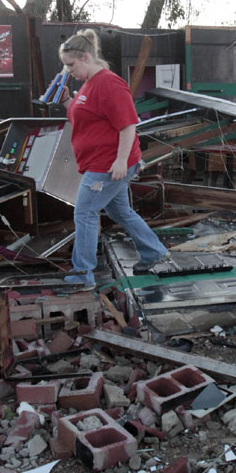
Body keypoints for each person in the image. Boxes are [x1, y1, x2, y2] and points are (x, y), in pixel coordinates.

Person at [57, 29, 170, 290]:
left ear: (86, 57)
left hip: (108, 165)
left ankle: (82, 273)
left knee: (85, 212)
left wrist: (121, 161)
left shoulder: (109, 84)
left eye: (71, 65)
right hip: (101, 162)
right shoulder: (88, 83)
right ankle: (154, 251)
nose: (68, 71)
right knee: (119, 211)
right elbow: (85, 117)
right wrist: (66, 101)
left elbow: (128, 125)